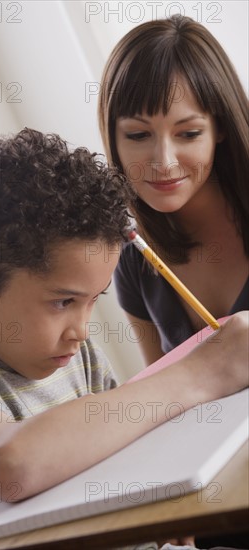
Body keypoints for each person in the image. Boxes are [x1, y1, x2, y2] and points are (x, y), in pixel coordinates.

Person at [0, 128, 248, 543]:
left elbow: (125, 459)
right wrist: (201, 374)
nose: (81, 330)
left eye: (93, 300)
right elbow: (9, 465)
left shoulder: (78, 354)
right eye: (63, 302)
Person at [98, 15, 249, 366]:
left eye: (188, 133)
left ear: (220, 128)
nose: (163, 163)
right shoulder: (133, 256)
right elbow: (163, 398)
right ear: (114, 139)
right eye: (138, 135)